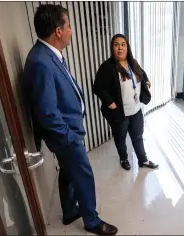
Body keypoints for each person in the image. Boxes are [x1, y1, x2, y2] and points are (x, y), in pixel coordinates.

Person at [23, 4, 117, 235]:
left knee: (67, 171)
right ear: (58, 30)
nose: (71, 30)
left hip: (69, 130)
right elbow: (46, 112)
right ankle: (92, 221)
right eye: (69, 25)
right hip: (65, 135)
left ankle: (68, 212)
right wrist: (70, 137)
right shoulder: (40, 62)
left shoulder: (49, 55)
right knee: (84, 174)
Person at [93, 34, 159, 171]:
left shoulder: (132, 63)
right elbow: (98, 87)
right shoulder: (107, 67)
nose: (120, 48)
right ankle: (123, 158)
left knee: (137, 136)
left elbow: (142, 73)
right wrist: (109, 102)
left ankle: (143, 160)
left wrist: (146, 80)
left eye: (123, 44)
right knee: (120, 137)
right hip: (120, 113)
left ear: (127, 47)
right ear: (112, 48)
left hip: (136, 110)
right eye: (116, 44)